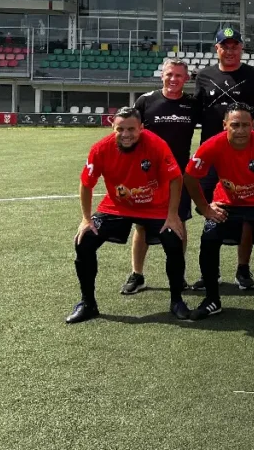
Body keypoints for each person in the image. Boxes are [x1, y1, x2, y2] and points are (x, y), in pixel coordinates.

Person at [67, 108, 189, 324]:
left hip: (155, 207)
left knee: (173, 238)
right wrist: (86, 219)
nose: (126, 134)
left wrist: (172, 215)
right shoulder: (101, 148)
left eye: (131, 129)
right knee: (84, 241)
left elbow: (176, 178)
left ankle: (177, 300)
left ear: (141, 128)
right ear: (112, 127)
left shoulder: (156, 144)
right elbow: (86, 183)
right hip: (117, 207)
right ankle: (88, 303)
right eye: (120, 129)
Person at [184, 104, 254, 320]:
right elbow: (190, 176)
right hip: (227, 203)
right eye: (235, 125)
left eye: (246, 125)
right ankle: (212, 300)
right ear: (225, 125)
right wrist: (206, 208)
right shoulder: (213, 145)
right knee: (209, 240)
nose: (241, 130)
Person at [193, 27, 254, 291]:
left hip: (247, 156)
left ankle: (242, 269)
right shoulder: (203, 76)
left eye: (235, 45)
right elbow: (199, 112)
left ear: (241, 48)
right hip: (212, 156)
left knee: (250, 214)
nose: (230, 50)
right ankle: (209, 274)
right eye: (224, 46)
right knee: (211, 211)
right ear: (216, 48)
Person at [121, 57, 200, 295]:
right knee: (143, 226)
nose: (173, 79)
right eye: (169, 74)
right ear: (161, 75)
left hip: (180, 175)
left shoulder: (192, 104)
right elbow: (129, 133)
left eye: (178, 75)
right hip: (147, 174)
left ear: (186, 79)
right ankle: (137, 274)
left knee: (178, 222)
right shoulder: (146, 101)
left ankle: (179, 275)